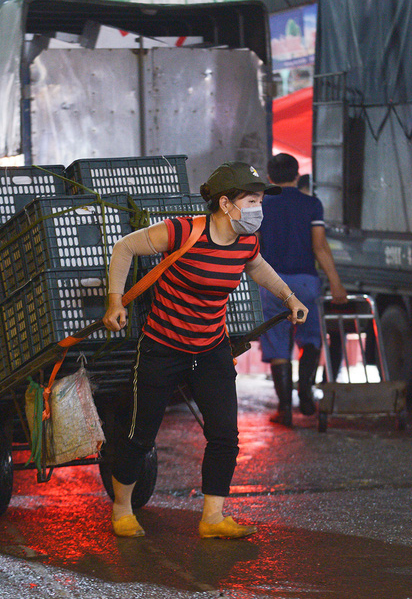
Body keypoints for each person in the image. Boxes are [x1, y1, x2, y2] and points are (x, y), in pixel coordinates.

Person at [103, 161, 308, 540]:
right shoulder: (183, 231)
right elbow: (124, 247)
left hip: (210, 347)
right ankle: (122, 509)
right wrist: (115, 302)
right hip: (163, 346)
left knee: (225, 435)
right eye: (251, 199)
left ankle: (212, 518)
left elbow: (258, 267)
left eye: (260, 199)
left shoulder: (247, 241)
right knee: (140, 435)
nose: (258, 207)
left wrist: (288, 297)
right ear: (226, 203)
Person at [258, 153, 348, 426]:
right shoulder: (311, 204)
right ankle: (306, 392)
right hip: (306, 283)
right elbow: (319, 247)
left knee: (276, 344)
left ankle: (285, 409)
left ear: (270, 177)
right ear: (297, 175)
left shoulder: (261, 205)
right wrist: (336, 282)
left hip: (272, 282)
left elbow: (254, 247)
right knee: (311, 339)